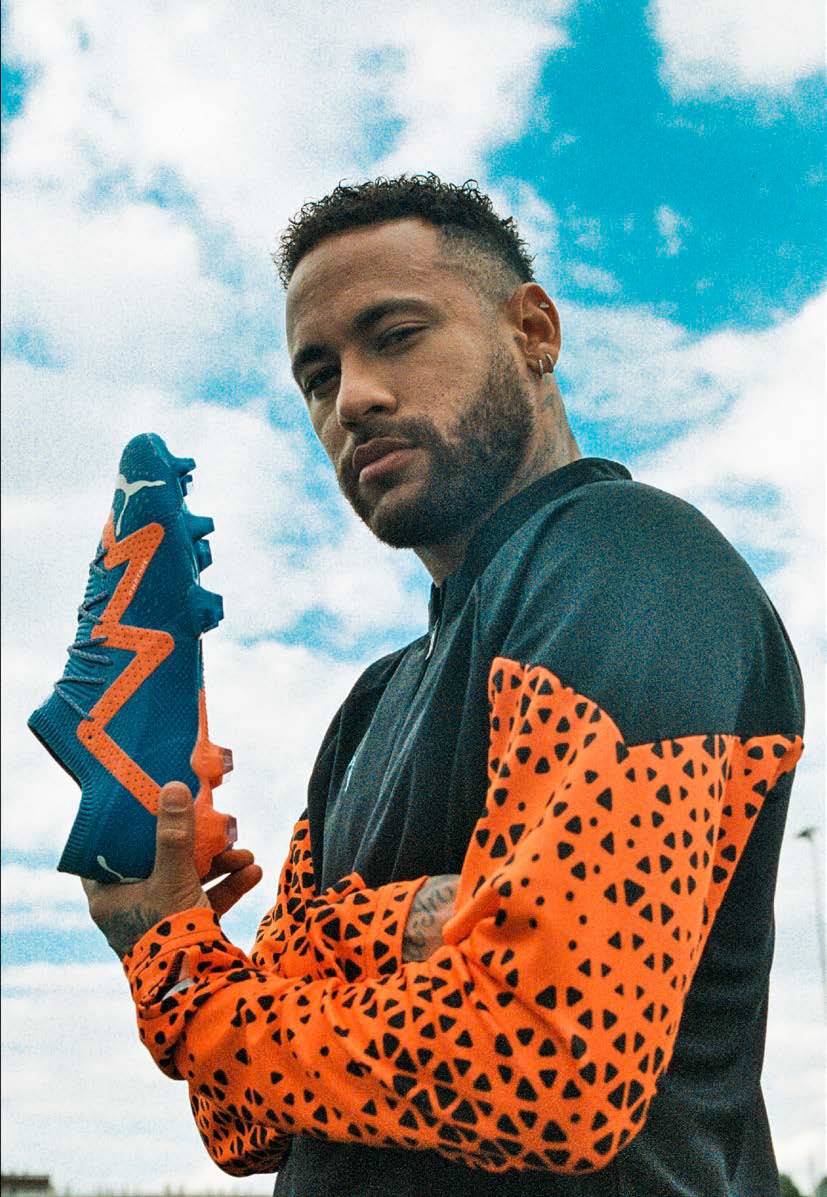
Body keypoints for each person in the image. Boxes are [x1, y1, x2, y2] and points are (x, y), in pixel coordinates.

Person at [83, 175, 805, 1197]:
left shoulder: (632, 562)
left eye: (396, 335)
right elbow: (242, 1115)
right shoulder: (369, 706)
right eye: (317, 375)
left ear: (533, 332)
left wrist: (201, 971)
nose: (353, 398)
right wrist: (184, 939)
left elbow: (549, 1063)